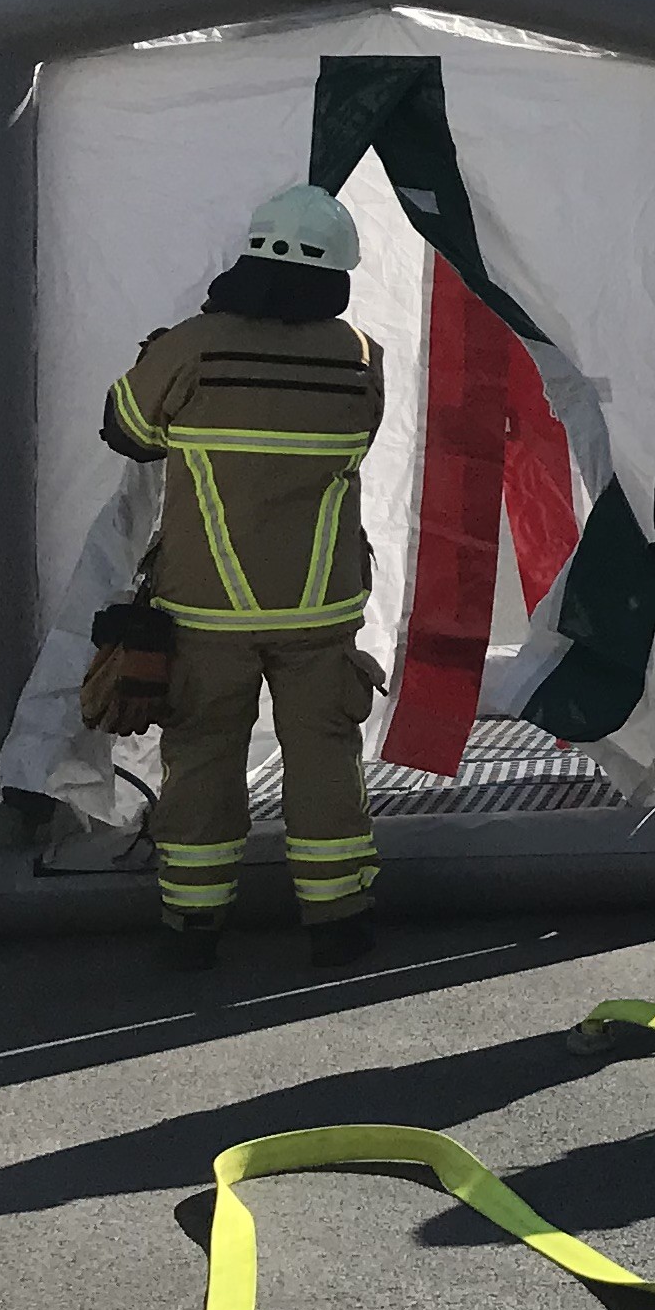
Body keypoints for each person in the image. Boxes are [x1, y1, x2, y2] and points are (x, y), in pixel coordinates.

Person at [99, 183, 391, 973]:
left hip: (207, 604)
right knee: (326, 753)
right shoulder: (362, 358)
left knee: (203, 755)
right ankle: (338, 919)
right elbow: (358, 443)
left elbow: (126, 432)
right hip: (321, 604)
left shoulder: (194, 346)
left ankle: (193, 926)